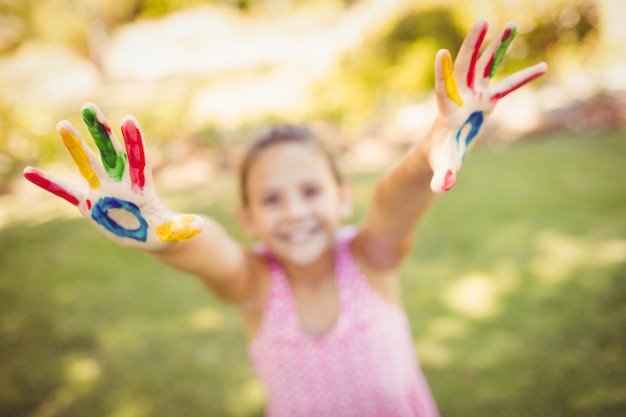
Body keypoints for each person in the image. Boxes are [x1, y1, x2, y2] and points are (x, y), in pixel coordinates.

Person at [23, 19, 547, 417]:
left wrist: (430, 147)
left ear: (343, 198)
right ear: (248, 218)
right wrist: (164, 235)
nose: (294, 211)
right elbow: (212, 250)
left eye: (310, 191)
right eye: (272, 200)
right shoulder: (255, 286)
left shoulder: (370, 259)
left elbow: (393, 202)